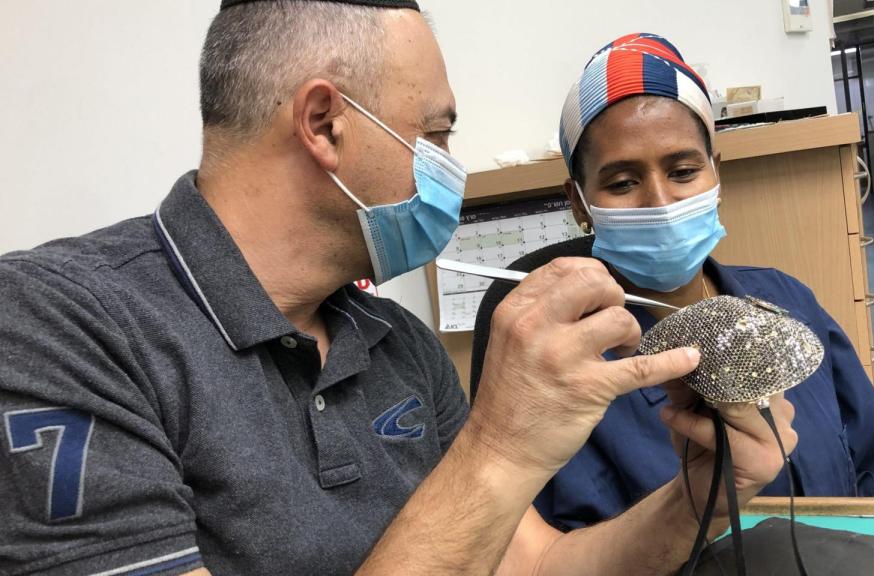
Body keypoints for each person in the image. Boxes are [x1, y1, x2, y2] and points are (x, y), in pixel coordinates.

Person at [0, 3, 797, 575]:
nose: (452, 163)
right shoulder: (55, 324)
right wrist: (500, 449)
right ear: (324, 123)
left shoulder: (396, 342)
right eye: (437, 132)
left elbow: (536, 564)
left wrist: (697, 499)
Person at [470, 33, 874, 531]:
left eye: (683, 171)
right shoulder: (560, 363)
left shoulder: (787, 300)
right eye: (622, 183)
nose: (661, 202)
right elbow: (555, 545)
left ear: (715, 174)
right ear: (579, 202)